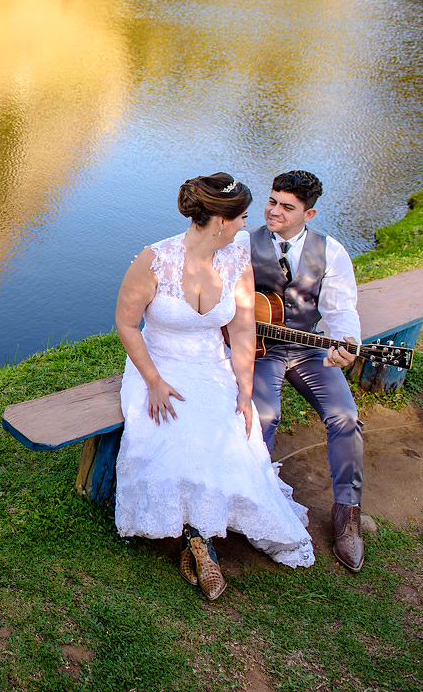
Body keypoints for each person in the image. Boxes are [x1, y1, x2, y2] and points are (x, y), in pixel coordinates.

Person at [113, 173, 314, 601]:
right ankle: (197, 540)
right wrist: (153, 382)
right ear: (220, 221)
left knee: (233, 433)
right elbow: (127, 325)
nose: (247, 225)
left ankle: (199, 536)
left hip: (210, 364)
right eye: (241, 217)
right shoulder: (154, 260)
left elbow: (242, 328)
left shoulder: (236, 259)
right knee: (172, 435)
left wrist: (243, 389)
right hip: (158, 365)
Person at [234, 170, 365, 572]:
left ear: (308, 214)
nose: (273, 211)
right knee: (263, 416)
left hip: (309, 350)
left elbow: (342, 311)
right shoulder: (242, 242)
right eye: (272, 201)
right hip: (259, 351)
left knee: (346, 417)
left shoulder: (332, 252)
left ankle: (348, 513)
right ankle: (255, 501)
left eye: (286, 207)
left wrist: (345, 345)